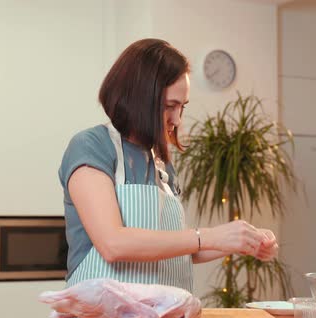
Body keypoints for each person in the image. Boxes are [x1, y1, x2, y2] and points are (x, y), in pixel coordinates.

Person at [58, 38, 278, 292]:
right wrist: (208, 236)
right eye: (169, 106)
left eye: (182, 107)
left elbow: (181, 250)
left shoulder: (160, 163)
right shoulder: (92, 146)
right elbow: (113, 243)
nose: (177, 119)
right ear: (136, 98)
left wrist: (239, 240)